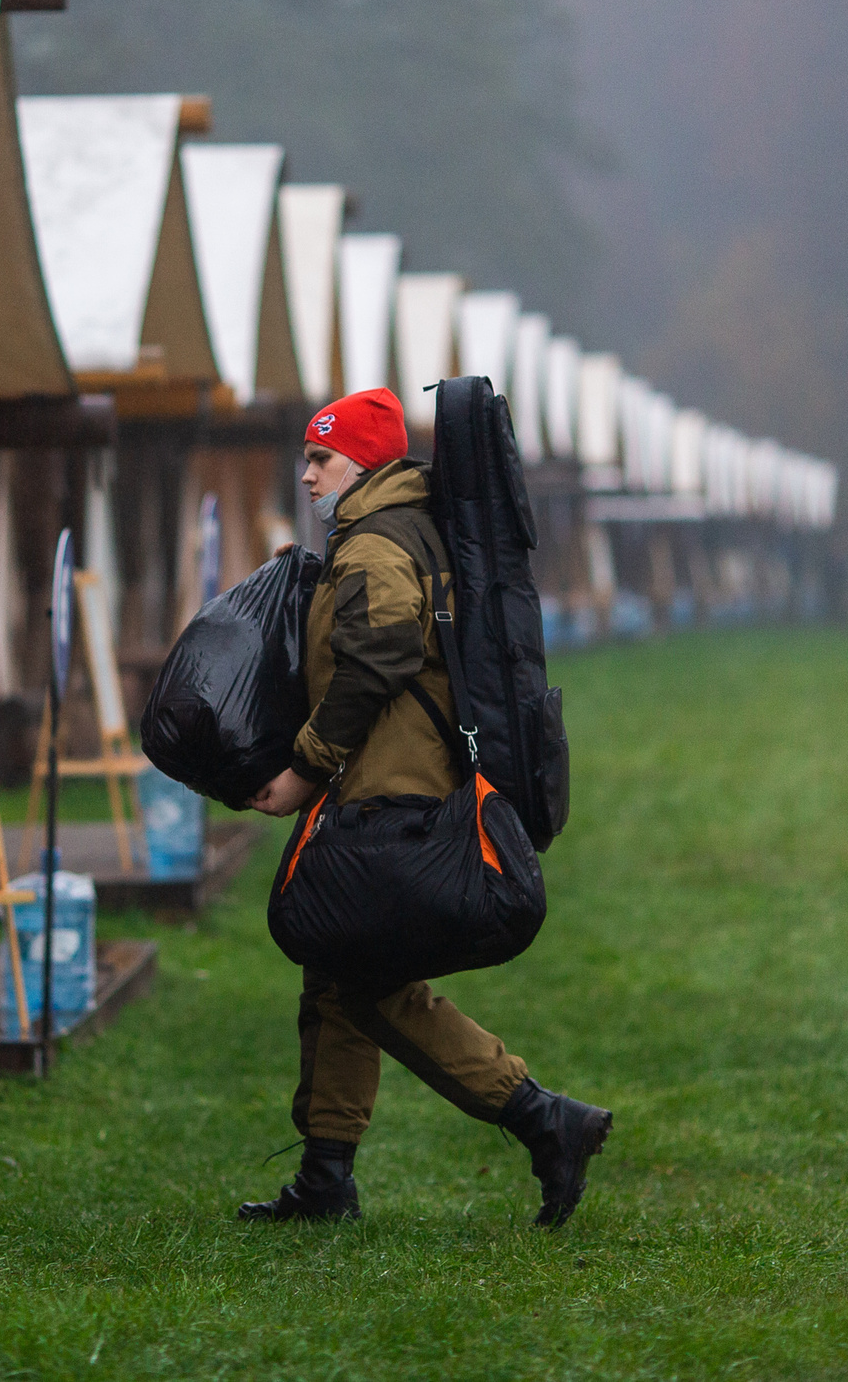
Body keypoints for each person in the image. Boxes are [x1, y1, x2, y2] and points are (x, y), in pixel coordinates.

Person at [238, 386, 612, 1228]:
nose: (306, 475)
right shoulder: (406, 528)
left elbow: (379, 652)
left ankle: (540, 1114)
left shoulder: (374, 544)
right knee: (338, 974)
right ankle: (327, 1175)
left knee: (367, 981)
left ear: (362, 463)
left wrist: (305, 767)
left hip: (392, 795)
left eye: (320, 459)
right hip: (406, 786)